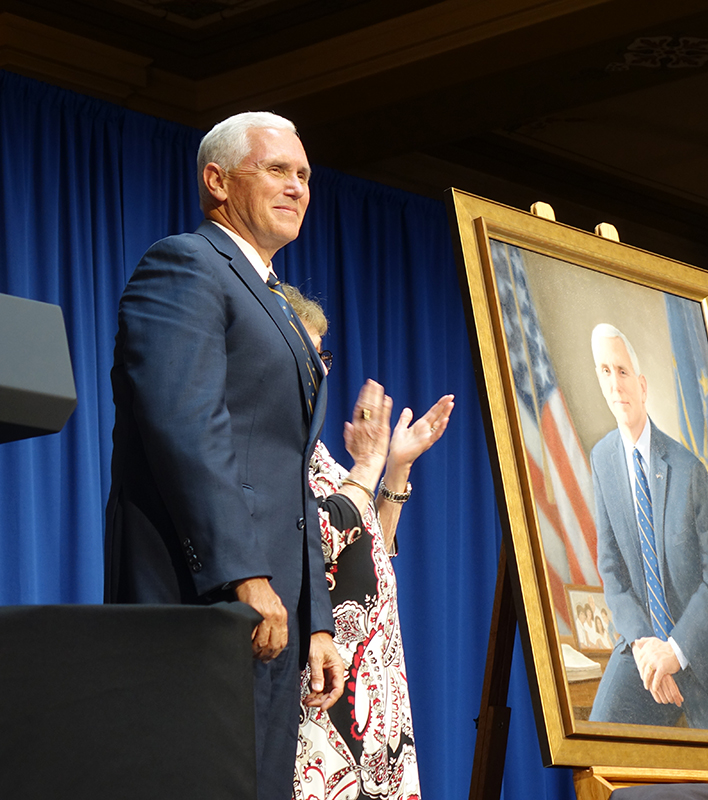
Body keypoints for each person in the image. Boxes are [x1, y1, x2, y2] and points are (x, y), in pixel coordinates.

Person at [104, 111, 343, 800]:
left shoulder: (266, 293)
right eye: (277, 170)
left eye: (303, 174)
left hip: (268, 610)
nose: (297, 186)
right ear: (217, 180)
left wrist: (317, 621)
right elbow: (190, 430)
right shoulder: (186, 264)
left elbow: (287, 471)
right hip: (201, 597)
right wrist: (243, 577)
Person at [287, 286, 453, 800]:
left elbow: (368, 546)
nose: (321, 369)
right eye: (307, 353)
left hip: (376, 692)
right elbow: (311, 543)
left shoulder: (320, 459)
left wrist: (396, 468)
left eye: (324, 355)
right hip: (324, 693)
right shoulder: (269, 450)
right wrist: (367, 467)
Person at [587, 323, 708, 733]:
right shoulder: (601, 459)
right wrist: (643, 645)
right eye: (605, 371)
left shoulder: (688, 469)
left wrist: (674, 651)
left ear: (641, 385)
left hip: (703, 647)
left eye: (622, 372)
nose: (615, 384)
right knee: (599, 744)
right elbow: (612, 572)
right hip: (642, 650)